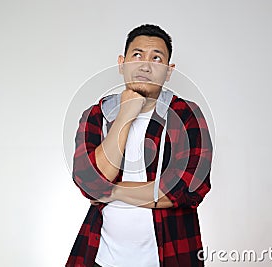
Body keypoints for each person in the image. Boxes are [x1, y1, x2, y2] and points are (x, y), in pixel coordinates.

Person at [66, 24, 213, 267]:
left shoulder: (186, 115)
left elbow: (188, 189)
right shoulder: (97, 115)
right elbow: (89, 183)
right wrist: (125, 115)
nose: (145, 65)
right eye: (137, 55)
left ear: (168, 71)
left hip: (169, 257)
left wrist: (111, 190)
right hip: (100, 258)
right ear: (122, 63)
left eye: (156, 58)